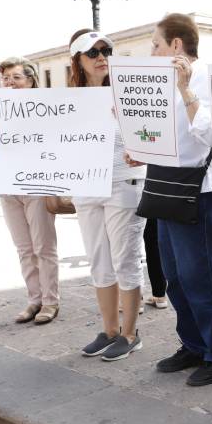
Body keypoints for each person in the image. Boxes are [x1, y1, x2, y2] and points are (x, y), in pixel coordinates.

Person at [145, 13, 212, 386]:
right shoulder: (162, 83)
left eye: (156, 44)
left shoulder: (209, 78)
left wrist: (185, 91)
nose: (152, 51)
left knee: (198, 275)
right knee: (174, 275)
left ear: (176, 45)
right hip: (165, 186)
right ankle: (193, 344)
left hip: (197, 190)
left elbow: (211, 134)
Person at [67, 29, 147, 361]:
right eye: (93, 53)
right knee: (99, 261)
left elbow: (149, 133)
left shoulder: (129, 93)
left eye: (106, 51)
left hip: (123, 182)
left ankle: (131, 333)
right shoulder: (67, 101)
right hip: (86, 186)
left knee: (125, 258)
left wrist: (140, 148)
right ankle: (110, 329)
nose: (101, 57)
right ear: (78, 61)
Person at [0, 57, 61, 325]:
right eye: (6, 79)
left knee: (43, 245)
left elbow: (56, 142)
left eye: (16, 78)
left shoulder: (46, 107)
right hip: (7, 182)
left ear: (31, 80)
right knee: (23, 247)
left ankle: (50, 302)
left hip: (36, 182)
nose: (10, 83)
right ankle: (34, 300)